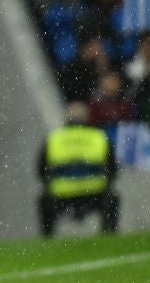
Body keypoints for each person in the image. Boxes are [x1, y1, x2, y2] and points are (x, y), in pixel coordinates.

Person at [38, 101, 119, 236]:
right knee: (113, 199)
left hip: (61, 195)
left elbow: (41, 170)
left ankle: (47, 237)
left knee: (44, 202)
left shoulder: (54, 139)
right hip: (95, 193)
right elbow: (113, 169)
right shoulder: (98, 137)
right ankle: (108, 233)